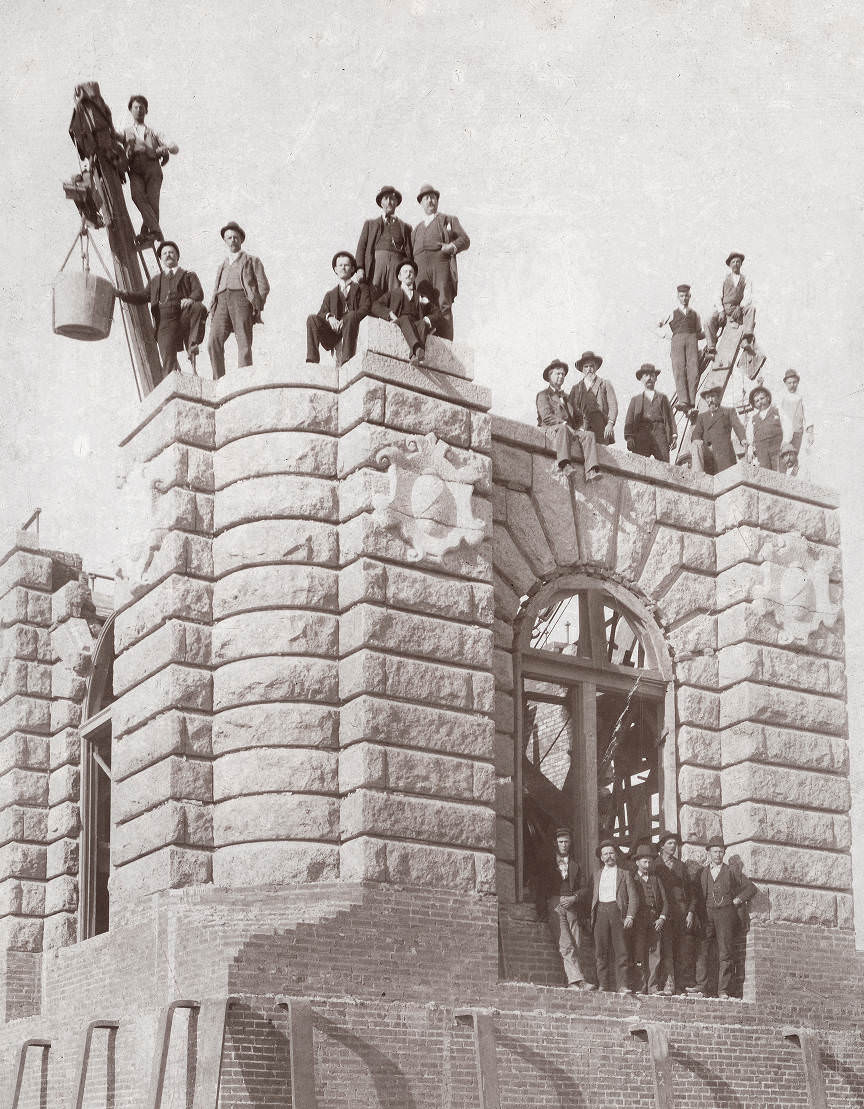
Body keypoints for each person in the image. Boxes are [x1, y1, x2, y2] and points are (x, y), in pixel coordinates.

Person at [113, 240, 206, 381]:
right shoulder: (156, 280)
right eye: (165, 253)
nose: (168, 255)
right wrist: (123, 294)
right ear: (161, 258)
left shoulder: (188, 275)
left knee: (197, 308)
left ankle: (193, 362)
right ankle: (170, 385)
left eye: (171, 252)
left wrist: (191, 299)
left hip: (183, 315)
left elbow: (198, 292)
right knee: (167, 357)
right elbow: (142, 296)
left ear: (177, 256)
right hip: (164, 322)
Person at [692, 836, 758, 999]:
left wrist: (737, 900)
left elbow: (751, 888)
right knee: (703, 950)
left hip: (726, 914)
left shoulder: (731, 871)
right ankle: (701, 986)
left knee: (725, 951)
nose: (718, 855)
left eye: (721, 852)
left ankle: (723, 990)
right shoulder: (702, 872)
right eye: (715, 851)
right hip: (707, 914)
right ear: (708, 853)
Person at [207, 222, 270, 379]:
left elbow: (264, 286)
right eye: (229, 238)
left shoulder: (251, 260)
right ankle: (218, 380)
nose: (232, 240)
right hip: (221, 302)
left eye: (236, 237)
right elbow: (216, 287)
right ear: (225, 241)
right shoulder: (222, 264)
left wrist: (256, 304)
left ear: (241, 239)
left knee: (243, 342)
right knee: (213, 340)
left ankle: (244, 379)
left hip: (241, 300)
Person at [537, 827, 595, 990]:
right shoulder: (547, 864)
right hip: (555, 905)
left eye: (566, 842)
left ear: (570, 844)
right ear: (555, 843)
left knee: (577, 943)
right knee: (566, 943)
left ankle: (574, 981)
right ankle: (577, 981)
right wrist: (542, 910)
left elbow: (585, 889)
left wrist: (573, 898)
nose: (563, 845)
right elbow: (539, 888)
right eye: (561, 842)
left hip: (571, 905)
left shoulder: (576, 865)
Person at [410, 185, 470, 341]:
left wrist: (451, 246)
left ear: (437, 201)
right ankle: (424, 339)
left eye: (433, 197)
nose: (430, 201)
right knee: (423, 303)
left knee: (443, 302)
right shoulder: (416, 229)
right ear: (421, 203)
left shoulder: (447, 220)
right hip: (420, 270)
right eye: (426, 198)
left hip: (441, 265)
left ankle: (446, 343)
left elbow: (465, 239)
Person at [123, 95, 178, 248]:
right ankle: (155, 231)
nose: (139, 110)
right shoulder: (125, 132)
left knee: (153, 202)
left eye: (142, 107)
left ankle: (147, 232)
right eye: (136, 107)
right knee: (137, 196)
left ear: (146, 110)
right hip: (134, 169)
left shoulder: (154, 132)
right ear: (130, 110)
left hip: (152, 167)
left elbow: (175, 147)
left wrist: (165, 148)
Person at [536, 360, 602, 482]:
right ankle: (565, 465)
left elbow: (579, 416)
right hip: (552, 429)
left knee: (589, 435)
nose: (561, 377)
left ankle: (591, 471)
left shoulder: (567, 397)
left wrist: (581, 427)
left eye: (563, 374)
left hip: (570, 431)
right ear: (549, 376)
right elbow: (546, 417)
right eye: (557, 374)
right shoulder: (543, 395)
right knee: (562, 428)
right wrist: (564, 424)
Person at [306, 252, 372, 366]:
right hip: (333, 334)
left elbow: (365, 308)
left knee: (351, 315)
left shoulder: (361, 289)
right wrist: (329, 317)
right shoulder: (330, 294)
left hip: (352, 327)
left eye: (346, 265)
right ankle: (312, 361)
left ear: (352, 269)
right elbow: (321, 313)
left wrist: (347, 319)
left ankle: (346, 361)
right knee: (312, 319)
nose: (343, 268)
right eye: (340, 265)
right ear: (335, 269)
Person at [372, 258, 442, 364]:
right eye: (405, 271)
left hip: (416, 324)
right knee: (405, 318)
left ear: (414, 277)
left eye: (411, 272)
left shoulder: (421, 296)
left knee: (423, 323)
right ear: (399, 277)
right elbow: (375, 305)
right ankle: (418, 349)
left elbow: (437, 312)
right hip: (400, 321)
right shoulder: (392, 294)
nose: (408, 274)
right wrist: (390, 314)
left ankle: (415, 355)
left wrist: (428, 318)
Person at [590, 839, 638, 993]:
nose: (608, 856)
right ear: (601, 857)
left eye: (611, 853)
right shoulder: (597, 875)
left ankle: (622, 985)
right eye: (605, 854)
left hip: (617, 911)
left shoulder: (625, 874)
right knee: (601, 950)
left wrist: (630, 916)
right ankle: (603, 984)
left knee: (621, 950)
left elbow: (633, 896)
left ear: (616, 855)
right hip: (601, 912)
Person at [653, 831, 697, 994]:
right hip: (662, 913)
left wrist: (690, 912)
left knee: (681, 948)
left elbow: (691, 892)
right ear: (662, 846)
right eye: (670, 843)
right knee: (664, 948)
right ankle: (666, 982)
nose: (673, 846)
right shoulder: (655, 865)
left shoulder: (680, 866)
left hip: (680, 913)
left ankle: (679, 984)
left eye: (675, 843)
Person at [355, 186, 413, 294]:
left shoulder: (405, 227)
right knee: (374, 295)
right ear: (381, 203)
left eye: (392, 199)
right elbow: (361, 247)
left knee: (396, 296)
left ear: (396, 202)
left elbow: (409, 253)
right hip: (376, 265)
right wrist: (360, 268)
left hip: (397, 268)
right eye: (385, 199)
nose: (389, 202)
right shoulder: (370, 224)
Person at [658, 284, 704, 411]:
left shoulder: (695, 314)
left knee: (693, 370)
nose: (684, 298)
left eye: (686, 296)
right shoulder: (672, 312)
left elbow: (699, 332)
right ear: (678, 297)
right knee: (679, 369)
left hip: (692, 341)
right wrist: (668, 336)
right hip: (677, 341)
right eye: (681, 296)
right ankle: (683, 400)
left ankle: (692, 401)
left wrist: (711, 334)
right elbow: (657, 325)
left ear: (690, 296)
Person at [630, 844, 668, 994]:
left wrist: (662, 918)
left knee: (655, 953)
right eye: (644, 862)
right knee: (639, 954)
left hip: (654, 920)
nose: (648, 865)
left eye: (650, 862)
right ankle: (641, 986)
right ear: (637, 862)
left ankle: (653, 987)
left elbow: (665, 902)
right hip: (639, 921)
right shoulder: (632, 878)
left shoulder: (655, 879)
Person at [704, 252, 755, 357]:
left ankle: (746, 338)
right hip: (724, 308)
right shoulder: (724, 278)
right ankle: (711, 348)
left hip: (737, 308)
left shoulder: (746, 279)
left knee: (751, 308)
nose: (736, 264)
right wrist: (721, 311)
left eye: (738, 262)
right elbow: (717, 295)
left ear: (741, 264)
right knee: (708, 320)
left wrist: (740, 308)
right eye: (733, 262)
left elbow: (748, 296)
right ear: (730, 265)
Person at [623, 364, 677, 462]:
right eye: (646, 376)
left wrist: (674, 435)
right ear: (641, 379)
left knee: (664, 464)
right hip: (641, 434)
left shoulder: (663, 398)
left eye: (652, 375)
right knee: (638, 464)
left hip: (660, 432)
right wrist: (629, 437)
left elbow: (670, 417)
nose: (649, 378)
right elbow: (629, 420)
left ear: (656, 379)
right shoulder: (635, 400)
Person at [690, 385, 747, 475]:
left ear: (718, 397)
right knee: (696, 443)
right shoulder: (702, 417)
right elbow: (696, 434)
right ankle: (698, 475)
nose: (710, 400)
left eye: (713, 396)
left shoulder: (728, 411)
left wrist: (743, 439)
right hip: (708, 454)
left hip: (723, 452)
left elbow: (737, 425)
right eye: (708, 397)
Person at [569, 351, 618, 446]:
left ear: (595, 367)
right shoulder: (576, 388)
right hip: (581, 427)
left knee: (602, 456)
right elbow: (570, 410)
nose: (589, 369)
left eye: (591, 366)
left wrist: (610, 424)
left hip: (600, 426)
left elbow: (613, 406)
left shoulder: (604, 384)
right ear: (582, 369)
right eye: (586, 367)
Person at [778, 369, 813, 476]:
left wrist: (810, 432)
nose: (792, 385)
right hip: (784, 434)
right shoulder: (782, 397)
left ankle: (794, 480)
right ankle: (781, 480)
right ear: (785, 383)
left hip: (797, 432)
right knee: (783, 457)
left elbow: (808, 414)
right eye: (789, 383)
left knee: (795, 456)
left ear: (797, 382)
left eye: (794, 382)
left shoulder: (801, 398)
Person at [748, 384, 784, 471]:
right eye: (757, 401)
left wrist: (785, 442)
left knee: (779, 473)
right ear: (754, 404)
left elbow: (787, 427)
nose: (760, 402)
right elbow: (750, 435)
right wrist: (750, 447)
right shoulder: (753, 419)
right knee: (765, 475)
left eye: (762, 398)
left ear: (768, 398)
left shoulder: (778, 411)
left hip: (777, 448)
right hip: (761, 451)